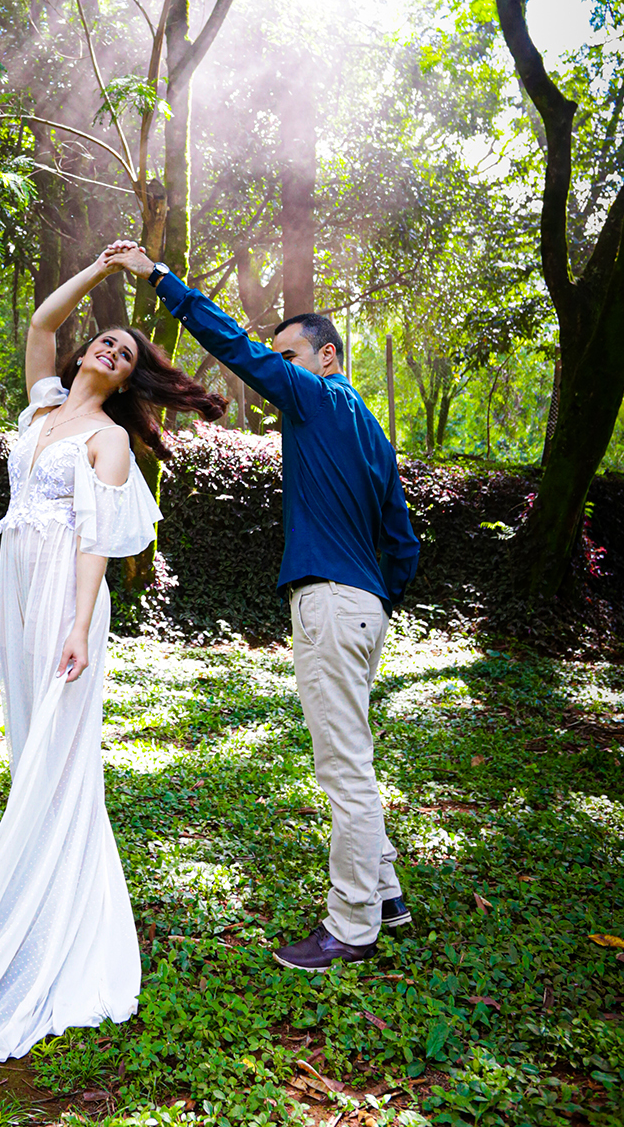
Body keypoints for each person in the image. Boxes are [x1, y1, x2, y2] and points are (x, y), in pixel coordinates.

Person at [0, 250, 226, 1060]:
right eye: (106, 340)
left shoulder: (109, 439)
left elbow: (96, 540)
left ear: (130, 381)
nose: (110, 349)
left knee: (59, 753)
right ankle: (27, 881)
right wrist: (101, 270)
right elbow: (40, 323)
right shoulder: (44, 408)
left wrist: (77, 624)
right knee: (28, 736)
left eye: (125, 353)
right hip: (18, 588)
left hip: (68, 597)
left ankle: (54, 909)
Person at [103, 241, 420, 971]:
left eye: (291, 356)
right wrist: (376, 599)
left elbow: (237, 349)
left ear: (327, 358)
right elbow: (402, 540)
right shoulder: (371, 433)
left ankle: (352, 926)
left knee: (344, 768)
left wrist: (160, 279)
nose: (281, 369)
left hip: (331, 604)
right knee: (353, 752)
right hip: (365, 608)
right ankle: (387, 895)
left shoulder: (321, 396)